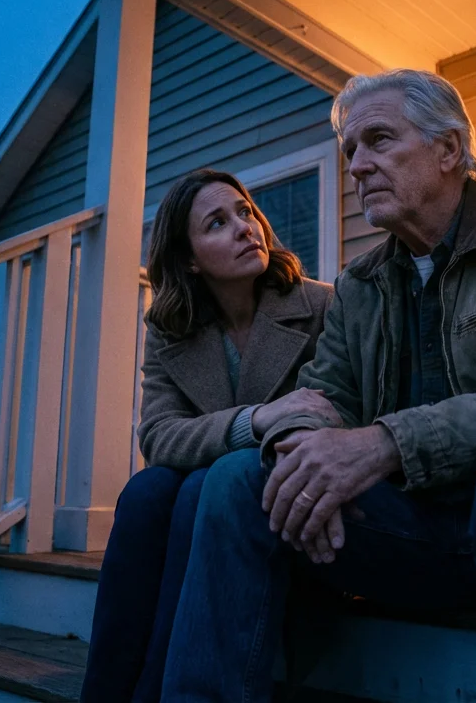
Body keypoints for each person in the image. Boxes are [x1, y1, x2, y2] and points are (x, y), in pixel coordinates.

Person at [161, 70, 476, 702]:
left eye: (377, 140)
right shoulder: (360, 284)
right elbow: (323, 399)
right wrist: (305, 466)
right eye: (351, 152)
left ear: (449, 149)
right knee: (242, 476)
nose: (357, 167)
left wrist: (385, 444)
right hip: (418, 538)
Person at [79, 168, 337, 703]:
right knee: (147, 491)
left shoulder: (322, 306)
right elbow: (160, 435)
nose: (246, 228)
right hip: (201, 509)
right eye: (218, 223)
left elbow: (326, 410)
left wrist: (245, 436)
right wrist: (254, 420)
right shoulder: (171, 328)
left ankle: (153, 690)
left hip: (283, 512)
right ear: (191, 258)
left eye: (246, 212)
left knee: (200, 487)